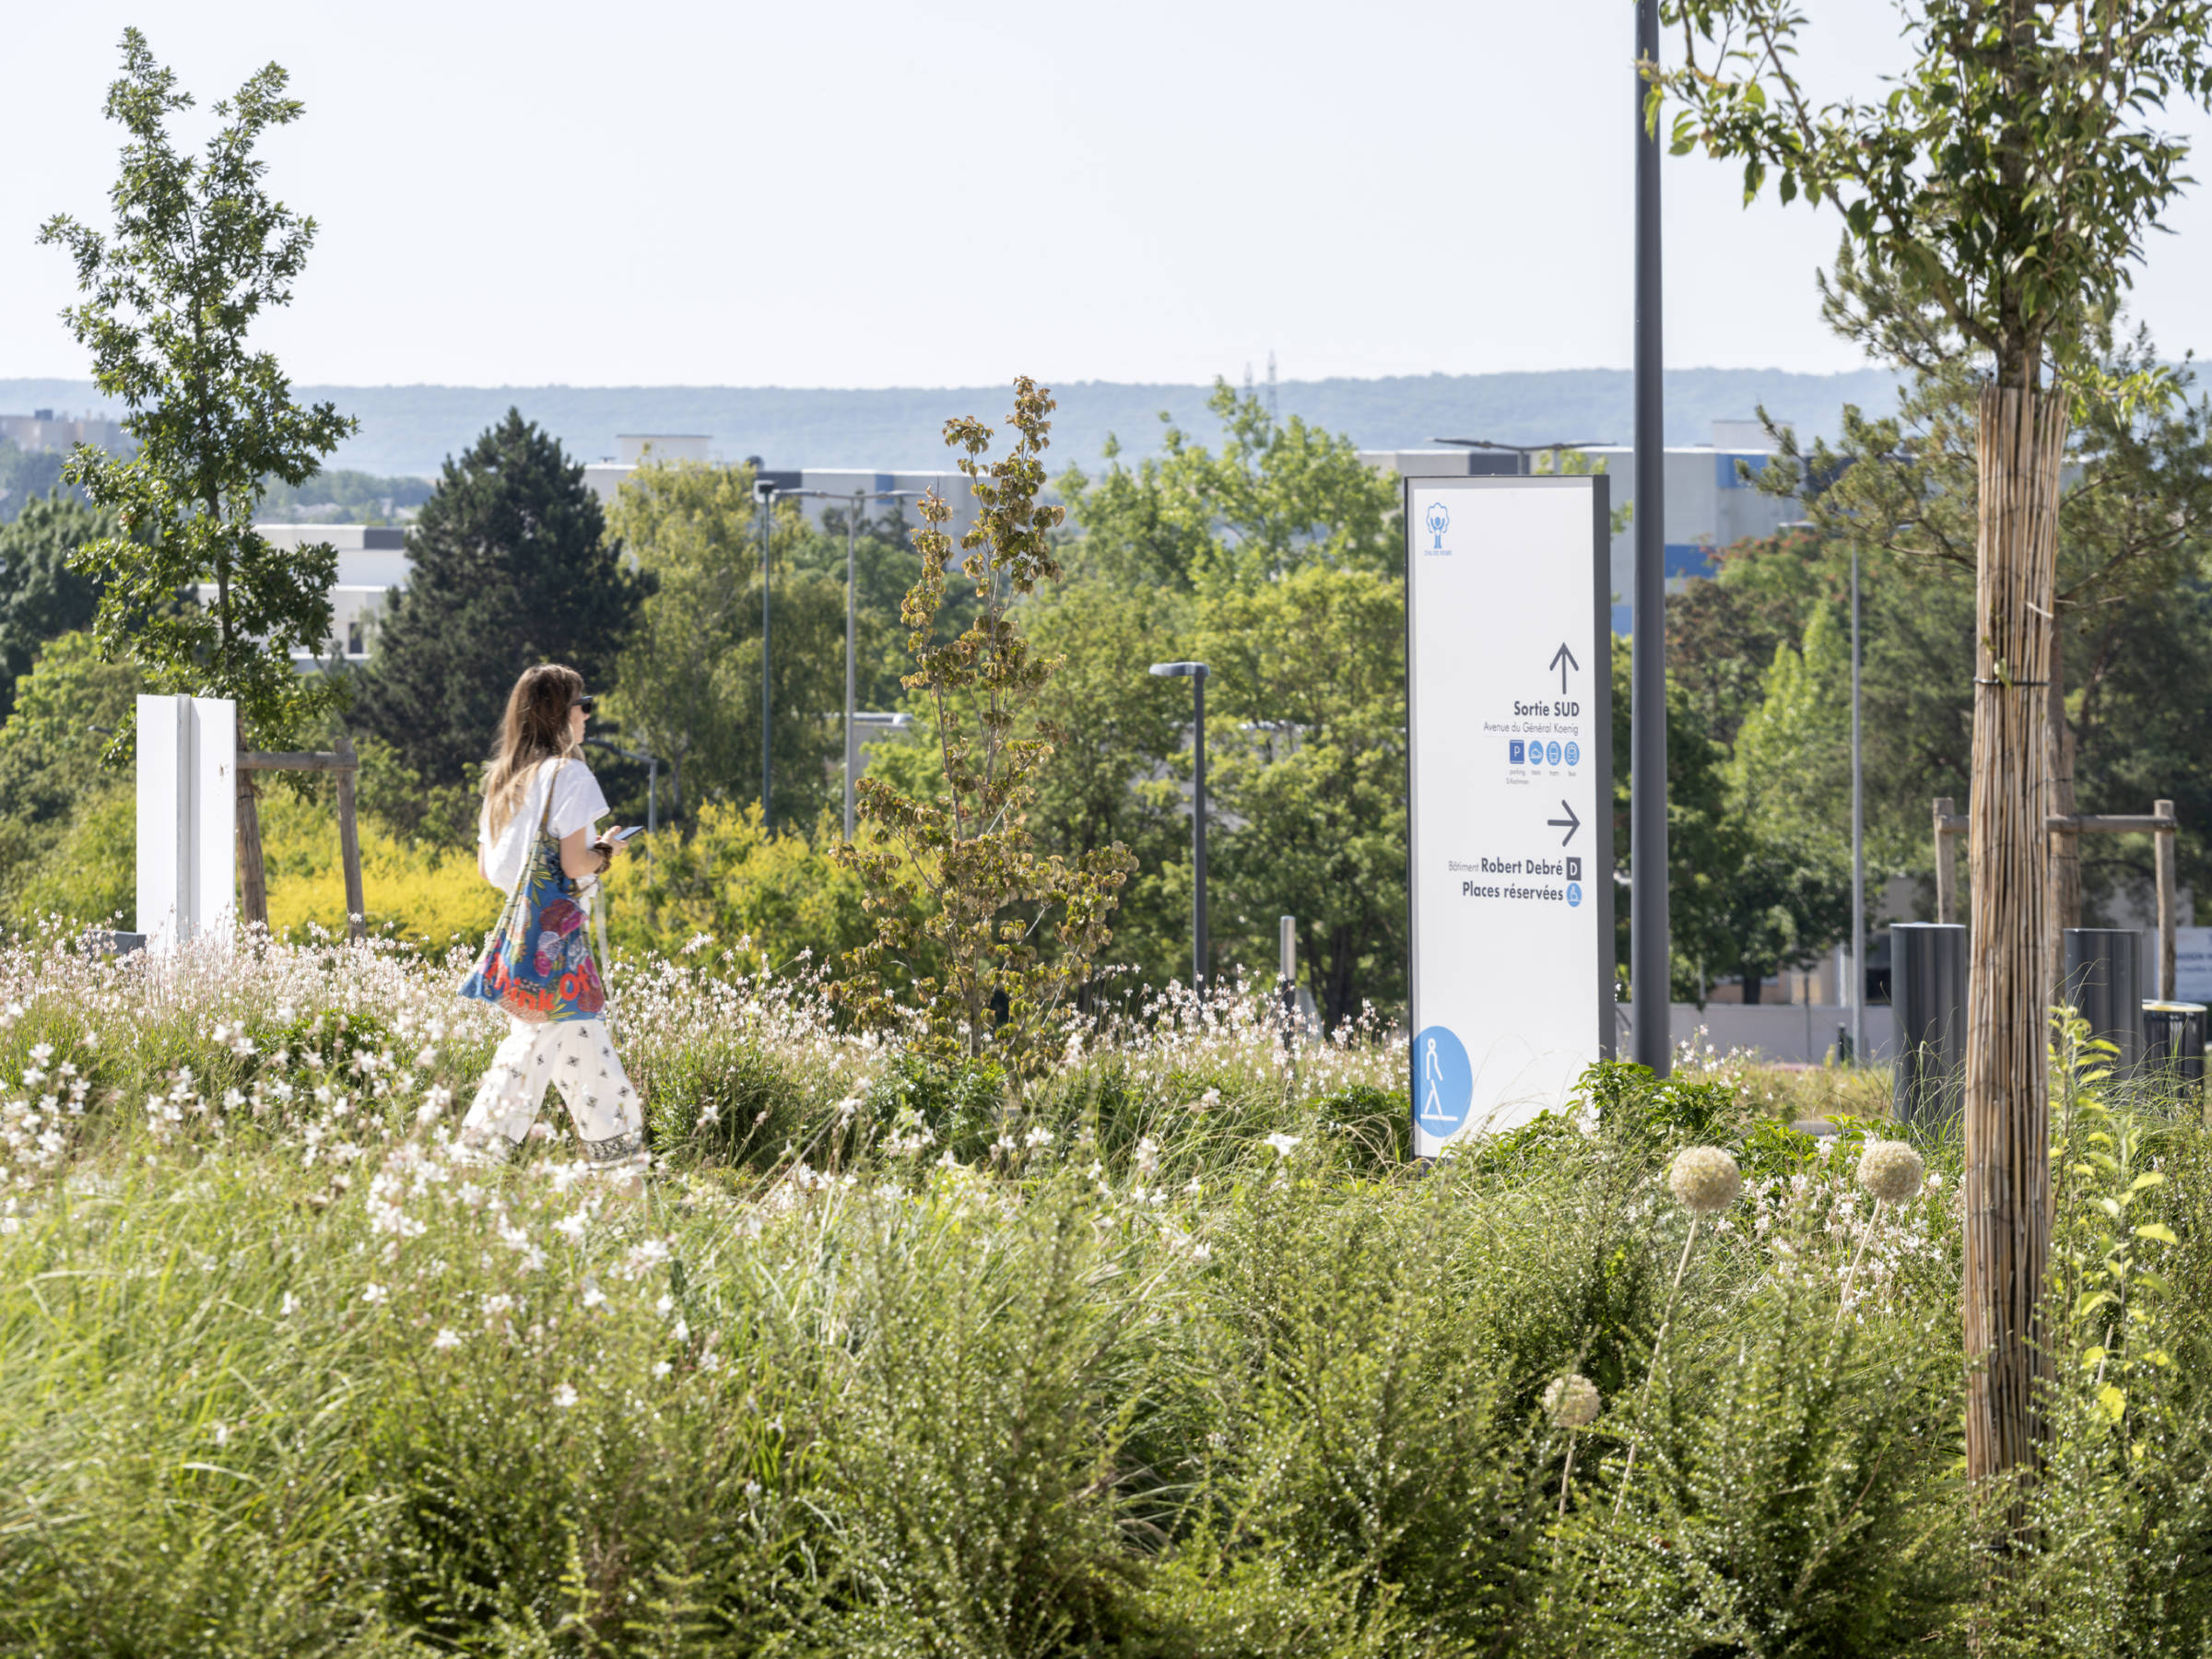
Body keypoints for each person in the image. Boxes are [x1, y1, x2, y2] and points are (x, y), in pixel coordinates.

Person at [458, 663, 646, 1170]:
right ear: (558, 715)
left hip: (520, 945)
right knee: (527, 1065)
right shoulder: (571, 774)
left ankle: (623, 1191)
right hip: (557, 954)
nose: (588, 714)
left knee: (596, 1080)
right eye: (582, 705)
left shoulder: (503, 782)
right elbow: (575, 863)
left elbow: (490, 868)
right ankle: (471, 1166)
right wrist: (605, 851)